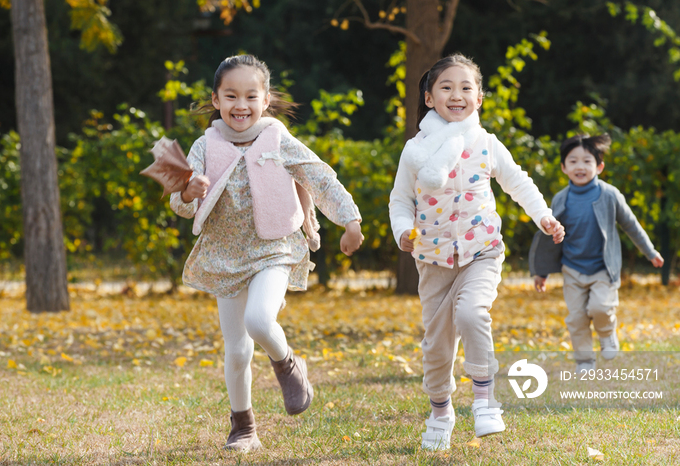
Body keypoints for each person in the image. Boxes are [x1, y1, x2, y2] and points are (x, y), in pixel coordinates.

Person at [170, 54, 364, 452]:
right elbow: (180, 200)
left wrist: (350, 220)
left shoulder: (278, 139)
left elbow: (319, 176)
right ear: (216, 99)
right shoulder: (204, 145)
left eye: (250, 96)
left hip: (275, 247)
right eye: (231, 96)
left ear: (266, 98)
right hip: (225, 254)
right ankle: (243, 426)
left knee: (260, 320)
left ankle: (289, 364)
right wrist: (187, 193)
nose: (241, 105)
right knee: (237, 348)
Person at [389, 53, 564, 451]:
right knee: (436, 346)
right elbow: (399, 201)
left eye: (466, 87)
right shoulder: (415, 150)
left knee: (471, 313)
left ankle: (485, 399)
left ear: (479, 98)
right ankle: (440, 411)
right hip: (432, 260)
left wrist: (544, 217)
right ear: (429, 98)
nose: (457, 94)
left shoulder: (487, 144)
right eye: (446, 87)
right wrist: (402, 229)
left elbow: (519, 184)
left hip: (481, 251)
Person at [529, 134, 664, 373]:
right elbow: (549, 237)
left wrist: (650, 251)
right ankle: (584, 361)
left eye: (587, 161)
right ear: (563, 167)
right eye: (573, 161)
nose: (580, 166)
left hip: (604, 267)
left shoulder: (609, 194)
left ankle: (607, 333)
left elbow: (631, 225)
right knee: (576, 318)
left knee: (600, 308)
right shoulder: (562, 198)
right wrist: (540, 271)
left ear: (599, 166)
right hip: (572, 268)